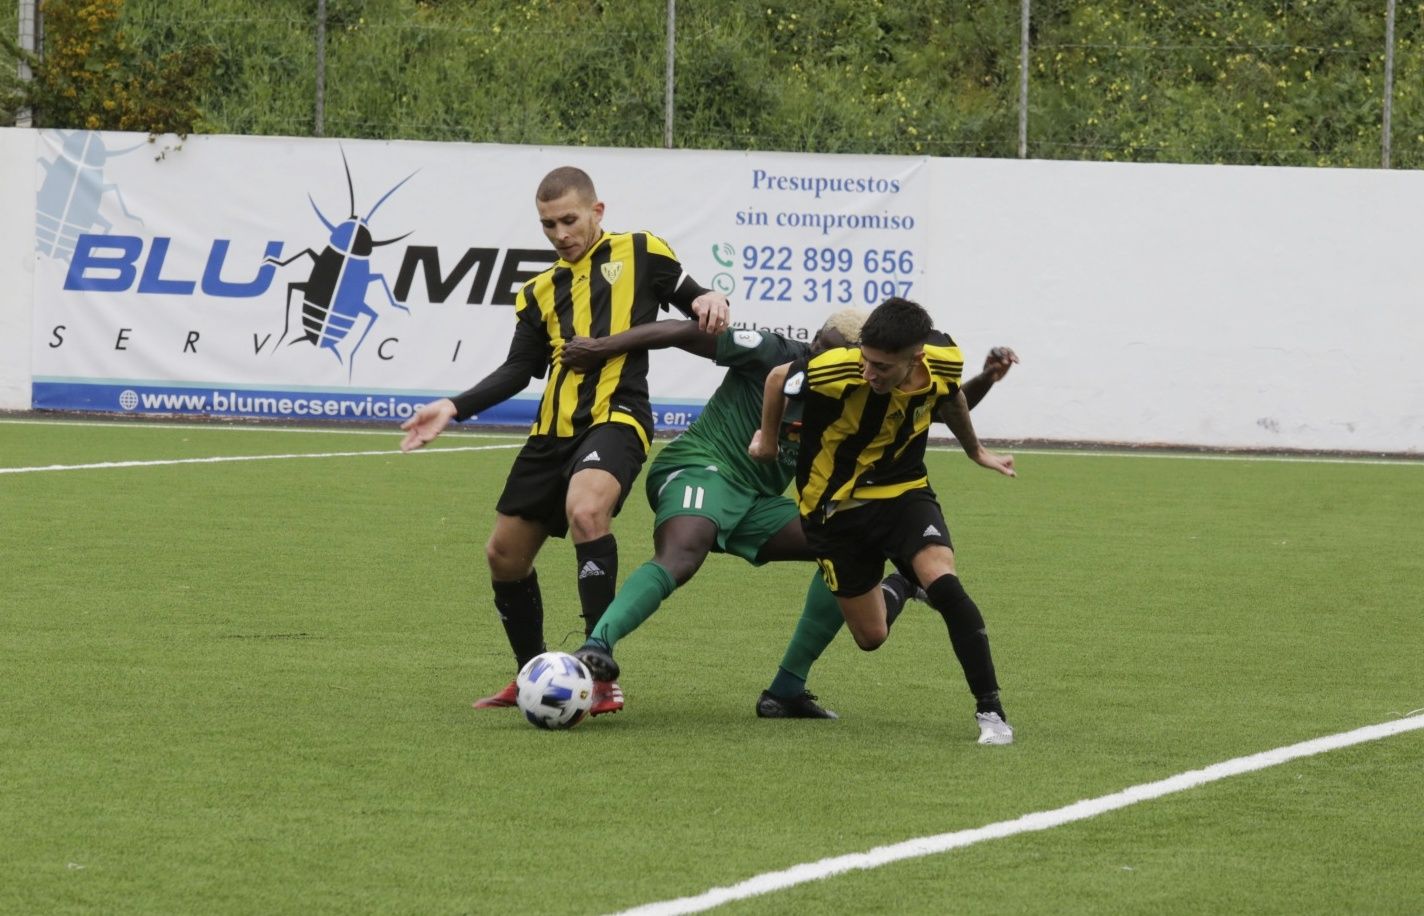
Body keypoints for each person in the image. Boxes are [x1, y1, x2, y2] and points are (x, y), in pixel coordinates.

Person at [563, 310, 1018, 732]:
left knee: (843, 542)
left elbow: (939, 403)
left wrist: (987, 383)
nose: (815, 356)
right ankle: (598, 645)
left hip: (758, 502)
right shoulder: (777, 354)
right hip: (703, 468)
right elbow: (685, 332)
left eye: (831, 349)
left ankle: (785, 691)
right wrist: (602, 347)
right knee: (686, 546)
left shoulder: (858, 387)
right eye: (818, 342)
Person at [399, 166, 730, 715]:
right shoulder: (537, 293)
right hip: (549, 434)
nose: (559, 234)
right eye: (548, 224)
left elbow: (693, 299)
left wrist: (710, 297)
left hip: (616, 417)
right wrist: (454, 407)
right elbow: (518, 370)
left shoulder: (642, 252)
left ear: (597, 212)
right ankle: (534, 674)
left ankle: (598, 671)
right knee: (502, 556)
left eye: (569, 220)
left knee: (586, 511)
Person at [749, 297, 1018, 744]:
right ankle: (904, 585)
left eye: (882, 367)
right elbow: (778, 378)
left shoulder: (943, 358)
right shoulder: (839, 368)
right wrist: (768, 444)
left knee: (947, 585)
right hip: (831, 510)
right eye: (867, 361)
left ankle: (991, 712)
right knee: (871, 637)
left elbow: (948, 399)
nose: (869, 373)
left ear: (916, 358)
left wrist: (977, 451)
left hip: (902, 492)